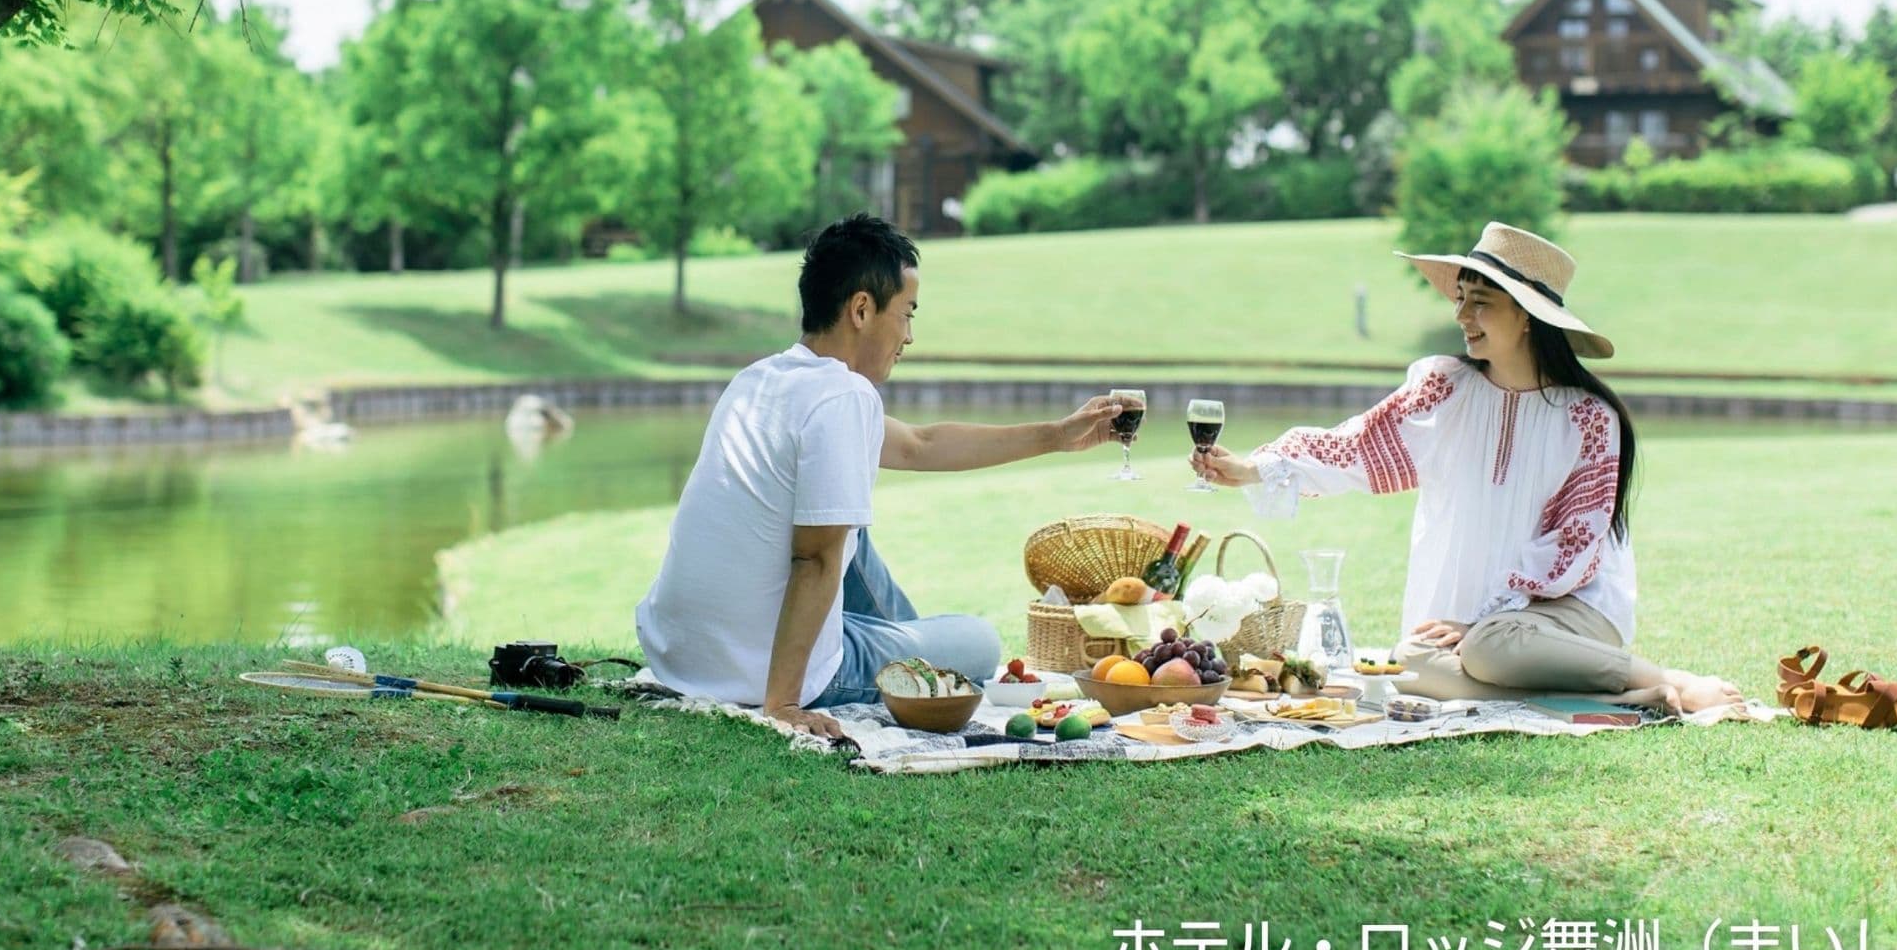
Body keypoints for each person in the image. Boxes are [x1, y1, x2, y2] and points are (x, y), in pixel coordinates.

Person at [1194, 221, 1743, 716]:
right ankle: (1619, 698)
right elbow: (1358, 446)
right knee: (1408, 662)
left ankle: (1671, 680)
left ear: (1526, 316)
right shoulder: (1443, 390)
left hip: (1563, 617)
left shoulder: (1589, 420)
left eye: (1479, 302)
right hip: (1474, 632)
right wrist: (1257, 469)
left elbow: (1573, 549)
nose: (1461, 316)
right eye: (1460, 299)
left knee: (1490, 647)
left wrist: (1486, 620)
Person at [637, 213, 1127, 739]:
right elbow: (815, 559)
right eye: (907, 314)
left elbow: (921, 444)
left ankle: (910, 654)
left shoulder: (761, 379)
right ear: (862, 309)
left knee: (847, 524)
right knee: (978, 642)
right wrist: (782, 704)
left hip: (684, 653)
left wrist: (1057, 435)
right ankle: (916, 667)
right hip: (757, 671)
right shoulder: (841, 399)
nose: (909, 336)